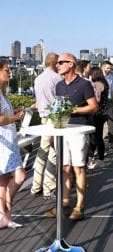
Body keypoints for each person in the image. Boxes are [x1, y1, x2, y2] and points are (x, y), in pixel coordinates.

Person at [44, 53, 97, 221]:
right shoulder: (59, 85)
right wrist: (53, 133)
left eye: (61, 62)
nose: (57, 65)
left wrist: (75, 110)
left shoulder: (84, 84)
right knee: (65, 168)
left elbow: (93, 106)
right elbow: (57, 110)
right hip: (62, 131)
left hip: (78, 130)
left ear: (71, 64)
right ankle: (64, 204)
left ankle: (79, 207)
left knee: (78, 168)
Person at [31, 52, 62, 198]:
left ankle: (36, 185)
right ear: (56, 64)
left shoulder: (38, 79)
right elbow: (59, 100)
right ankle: (49, 187)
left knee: (42, 151)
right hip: (54, 119)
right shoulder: (57, 78)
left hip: (43, 117)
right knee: (53, 152)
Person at [0, 60, 26, 228]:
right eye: (7, 70)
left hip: (8, 141)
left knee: (3, 181)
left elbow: (4, 114)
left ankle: (5, 217)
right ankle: (5, 212)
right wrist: (16, 117)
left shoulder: (2, 93)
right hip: (3, 144)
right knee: (20, 175)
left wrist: (14, 111)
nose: (10, 73)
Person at [87, 66, 109, 170]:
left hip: (97, 114)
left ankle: (93, 158)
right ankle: (101, 158)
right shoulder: (105, 82)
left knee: (94, 137)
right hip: (104, 113)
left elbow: (97, 100)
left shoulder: (97, 84)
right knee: (98, 137)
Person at [102, 60, 113, 148]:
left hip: (110, 100)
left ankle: (111, 142)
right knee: (100, 122)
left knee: (111, 122)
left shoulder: (111, 76)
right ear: (103, 67)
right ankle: (100, 142)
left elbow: (112, 89)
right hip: (101, 101)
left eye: (110, 68)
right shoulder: (98, 76)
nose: (109, 70)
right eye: (107, 68)